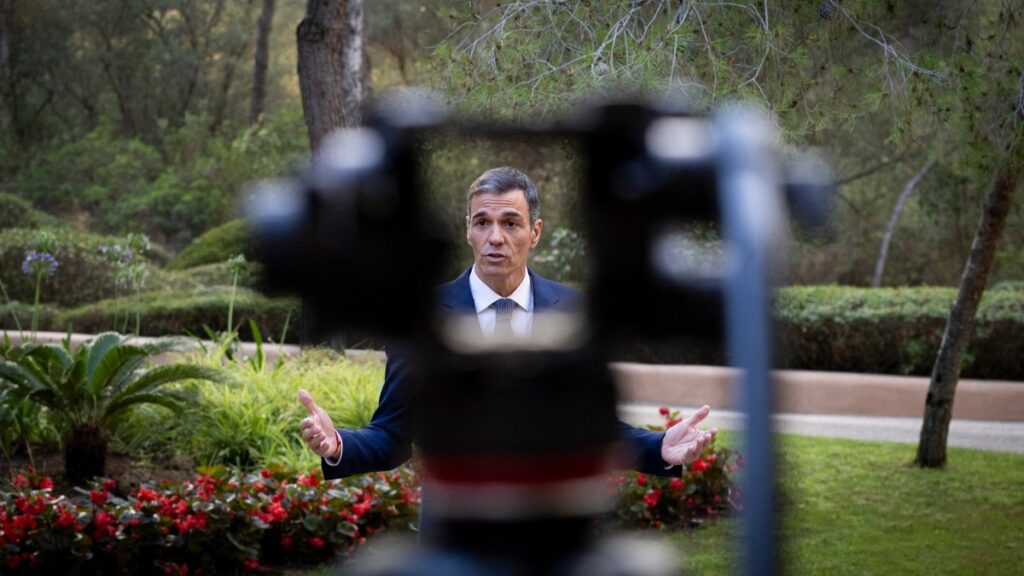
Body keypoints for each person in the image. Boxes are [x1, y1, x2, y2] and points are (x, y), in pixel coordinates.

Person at [299, 166, 716, 480]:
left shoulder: (574, 312)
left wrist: (659, 446)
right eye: (483, 222)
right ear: (468, 231)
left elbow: (595, 427)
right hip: (456, 533)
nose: (495, 237)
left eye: (510, 223)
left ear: (535, 232)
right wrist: (338, 444)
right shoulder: (421, 317)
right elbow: (391, 437)